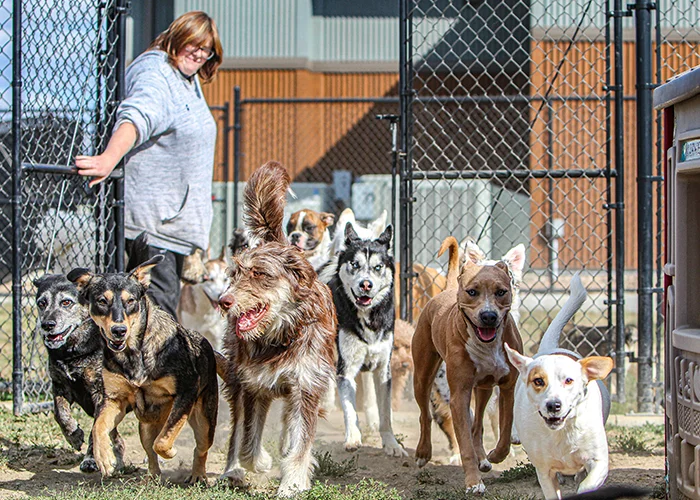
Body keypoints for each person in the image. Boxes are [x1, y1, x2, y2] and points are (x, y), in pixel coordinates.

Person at [75, 11, 223, 318]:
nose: (199, 53)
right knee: (155, 324)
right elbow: (137, 117)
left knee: (159, 322)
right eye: (192, 44)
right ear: (176, 38)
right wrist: (107, 160)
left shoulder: (185, 78)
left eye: (206, 49)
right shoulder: (156, 73)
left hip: (172, 226)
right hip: (153, 228)